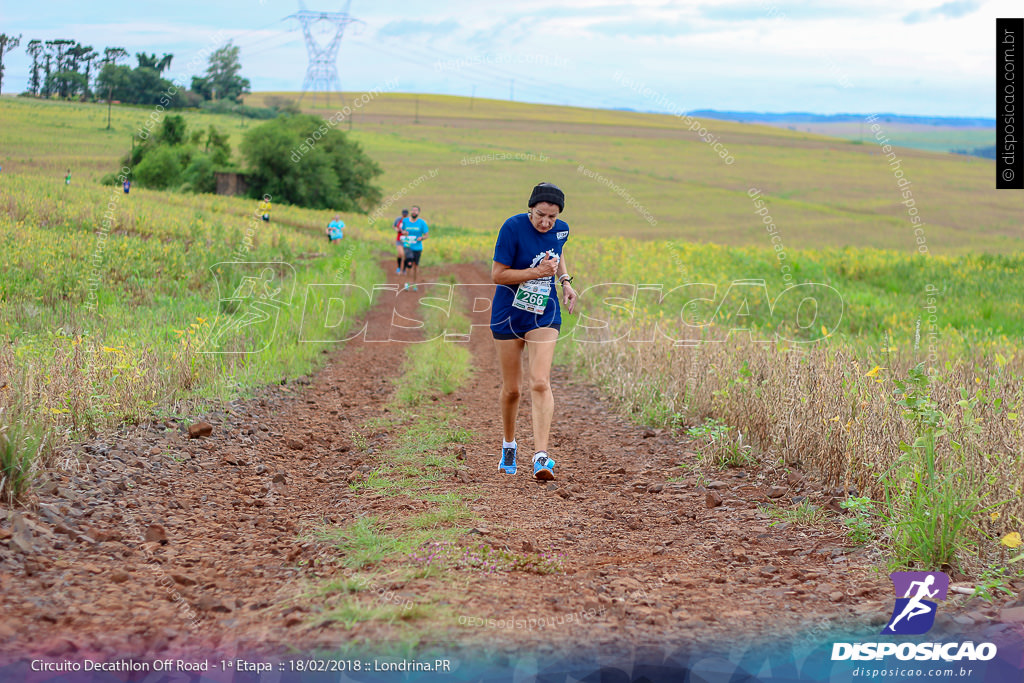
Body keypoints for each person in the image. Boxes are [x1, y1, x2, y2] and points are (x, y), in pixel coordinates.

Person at [490, 183, 577, 480]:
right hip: (509, 313)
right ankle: (509, 446)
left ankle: (541, 456)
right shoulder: (512, 228)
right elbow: (498, 275)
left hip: (544, 311)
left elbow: (558, 251)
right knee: (513, 389)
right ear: (530, 209)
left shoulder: (561, 229)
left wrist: (565, 281)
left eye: (552, 217)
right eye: (541, 215)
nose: (546, 223)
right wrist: (535, 273)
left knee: (540, 381)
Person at [401, 205, 428, 292]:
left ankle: (414, 283)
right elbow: (402, 230)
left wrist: (422, 238)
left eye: (416, 211)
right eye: (412, 210)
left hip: (418, 247)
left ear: (419, 213)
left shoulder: (422, 223)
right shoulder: (405, 221)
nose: (414, 212)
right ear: (411, 212)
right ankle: (407, 283)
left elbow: (426, 235)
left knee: (416, 266)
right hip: (408, 245)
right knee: (409, 264)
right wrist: (404, 232)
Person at [393, 208, 409, 274]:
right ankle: (399, 268)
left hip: (407, 240)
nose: (404, 216)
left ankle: (404, 269)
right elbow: (394, 226)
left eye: (405, 215)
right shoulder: (398, 219)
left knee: (406, 255)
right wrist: (397, 229)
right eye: (403, 215)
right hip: (399, 239)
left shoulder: (409, 221)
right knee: (400, 254)